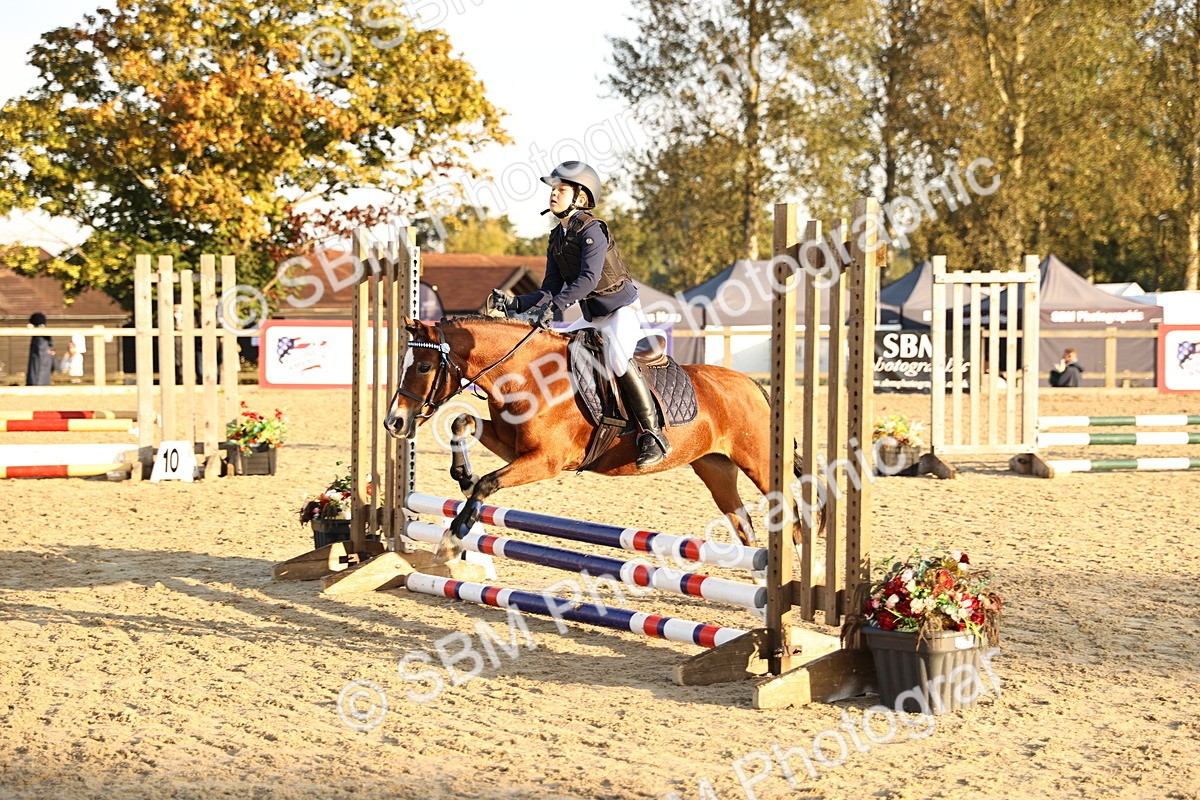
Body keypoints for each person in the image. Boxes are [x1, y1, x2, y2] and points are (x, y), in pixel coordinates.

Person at [498, 161, 669, 469]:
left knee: (617, 358)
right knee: (556, 349)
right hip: (592, 314)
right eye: (552, 190)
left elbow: (587, 280)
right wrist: (516, 304)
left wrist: (552, 308)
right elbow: (550, 287)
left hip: (619, 310)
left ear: (579, 197)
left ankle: (652, 435)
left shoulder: (593, 229)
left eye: (560, 190)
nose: (553, 195)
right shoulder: (557, 237)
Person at [26, 312, 54, 386]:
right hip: (42, 376)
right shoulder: (43, 336)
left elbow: (39, 361)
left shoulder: (40, 338)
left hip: (38, 380)